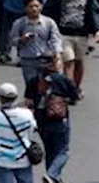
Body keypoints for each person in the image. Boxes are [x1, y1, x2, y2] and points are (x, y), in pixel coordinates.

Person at [41, 0, 99, 89]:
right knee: (69, 61)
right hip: (63, 35)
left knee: (79, 62)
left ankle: (76, 87)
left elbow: (93, 14)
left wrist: (97, 31)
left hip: (81, 35)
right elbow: (47, 13)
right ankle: (70, 89)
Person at [27, 54, 77, 183]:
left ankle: (53, 178)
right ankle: (52, 174)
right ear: (53, 63)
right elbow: (75, 95)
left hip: (41, 121)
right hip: (60, 120)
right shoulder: (62, 79)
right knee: (63, 151)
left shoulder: (34, 81)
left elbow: (29, 101)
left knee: (49, 151)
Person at [9, 0, 63, 91]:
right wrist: (22, 39)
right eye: (31, 6)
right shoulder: (19, 23)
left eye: (36, 6)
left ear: (41, 7)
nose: (34, 9)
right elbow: (12, 41)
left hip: (46, 59)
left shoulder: (49, 22)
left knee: (50, 85)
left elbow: (56, 39)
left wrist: (57, 55)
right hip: (28, 60)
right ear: (26, 8)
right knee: (32, 87)